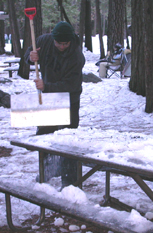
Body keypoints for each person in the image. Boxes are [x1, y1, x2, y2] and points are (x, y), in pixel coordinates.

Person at [24, 21, 85, 189]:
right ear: (54, 39)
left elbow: (71, 84)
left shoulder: (76, 56)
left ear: (71, 40)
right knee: (45, 136)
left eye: (66, 43)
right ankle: (47, 171)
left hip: (70, 99)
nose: (62, 46)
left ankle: (69, 180)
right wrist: (31, 56)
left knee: (68, 138)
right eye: (59, 43)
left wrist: (47, 86)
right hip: (49, 100)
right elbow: (30, 53)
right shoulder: (44, 41)